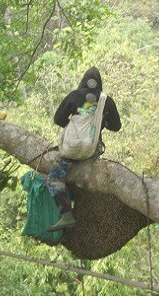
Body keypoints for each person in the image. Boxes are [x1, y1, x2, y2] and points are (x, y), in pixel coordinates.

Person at [46, 66, 121, 232]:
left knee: (54, 179)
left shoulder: (74, 95)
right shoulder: (106, 100)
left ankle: (66, 215)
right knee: (92, 184)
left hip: (71, 152)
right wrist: (100, 123)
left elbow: (58, 119)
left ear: (83, 81)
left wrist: (75, 128)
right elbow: (116, 126)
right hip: (92, 151)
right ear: (99, 83)